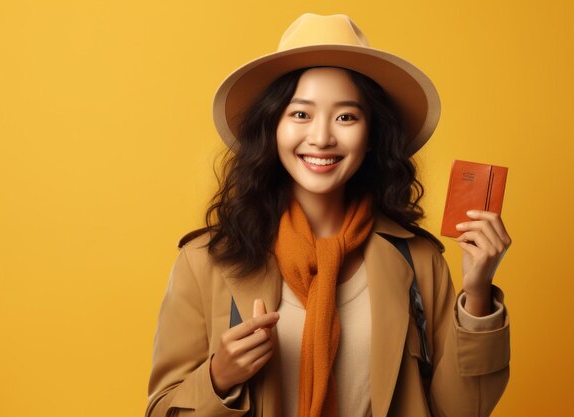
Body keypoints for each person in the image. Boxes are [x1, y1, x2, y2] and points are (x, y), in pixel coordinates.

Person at [146, 13, 511, 417]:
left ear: (372, 136)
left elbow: (461, 412)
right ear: (272, 128)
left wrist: (478, 295)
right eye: (300, 114)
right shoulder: (204, 262)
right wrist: (219, 377)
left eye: (346, 116)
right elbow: (162, 408)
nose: (321, 137)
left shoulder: (419, 261)